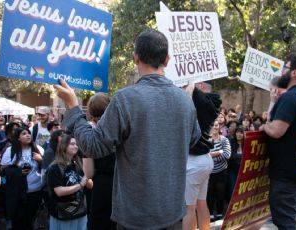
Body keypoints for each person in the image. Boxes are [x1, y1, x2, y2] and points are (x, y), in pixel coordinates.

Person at [54, 29, 201, 229]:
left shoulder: (126, 99)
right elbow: (194, 139)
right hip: (172, 214)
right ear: (167, 60)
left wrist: (73, 106)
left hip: (136, 218)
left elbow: (92, 146)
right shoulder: (185, 100)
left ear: (135, 58)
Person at [258, 53, 296, 230]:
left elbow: (276, 131)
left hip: (285, 172)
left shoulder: (290, 97)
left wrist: (264, 127)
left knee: (285, 220)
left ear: (293, 72)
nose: (282, 70)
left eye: (285, 67)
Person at [182, 81, 221, 230]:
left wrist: (190, 85)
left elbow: (185, 103)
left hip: (194, 163)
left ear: (202, 86)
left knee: (188, 208)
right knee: (201, 203)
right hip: (204, 160)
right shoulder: (211, 102)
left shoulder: (202, 102)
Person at [82, 93, 117, 229]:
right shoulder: (122, 128)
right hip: (123, 184)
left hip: (101, 188)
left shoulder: (89, 133)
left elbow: (89, 173)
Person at [0, 127, 44, 230]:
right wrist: (17, 171)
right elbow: (2, 170)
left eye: (29, 133)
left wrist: (41, 160)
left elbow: (47, 168)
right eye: (24, 134)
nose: (28, 135)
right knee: (19, 221)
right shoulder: (10, 151)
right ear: (18, 138)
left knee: (30, 221)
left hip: (35, 191)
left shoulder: (38, 149)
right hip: (17, 193)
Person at [46, 135, 88, 230]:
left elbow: (89, 185)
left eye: (77, 144)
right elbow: (59, 191)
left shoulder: (78, 165)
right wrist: (80, 185)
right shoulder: (55, 168)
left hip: (80, 211)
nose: (76, 146)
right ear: (64, 146)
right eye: (72, 144)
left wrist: (88, 177)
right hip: (63, 213)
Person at [207, 120, 231, 221]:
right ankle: (211, 213)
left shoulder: (224, 140)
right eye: (212, 125)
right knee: (209, 193)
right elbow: (203, 155)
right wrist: (218, 152)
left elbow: (227, 155)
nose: (214, 127)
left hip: (222, 172)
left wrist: (211, 156)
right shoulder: (206, 140)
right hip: (209, 172)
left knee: (220, 193)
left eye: (216, 125)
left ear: (219, 127)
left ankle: (220, 212)